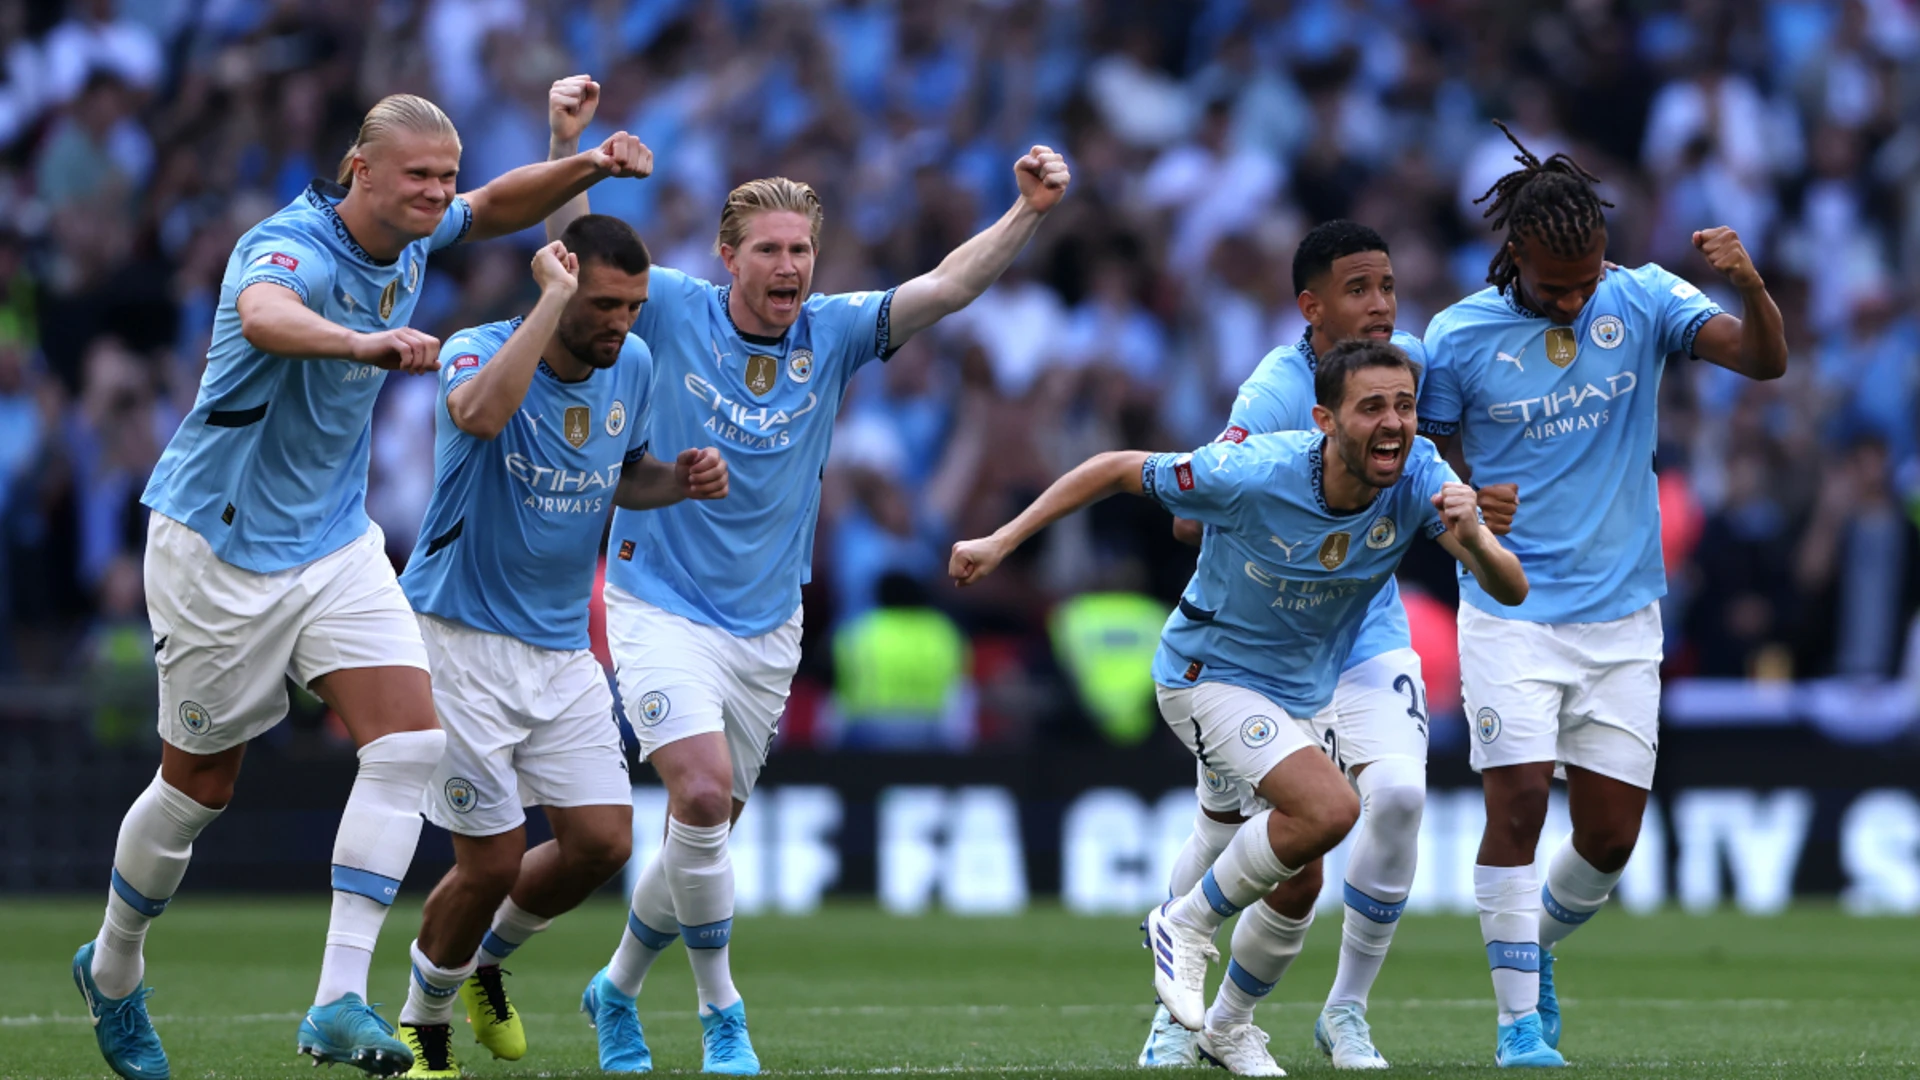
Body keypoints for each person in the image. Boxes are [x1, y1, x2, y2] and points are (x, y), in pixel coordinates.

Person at [71, 92, 649, 1080]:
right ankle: (114, 967)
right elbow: (265, 314)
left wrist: (588, 165)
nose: (435, 192)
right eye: (417, 175)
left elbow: (500, 203)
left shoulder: (420, 232)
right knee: (199, 787)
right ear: (360, 170)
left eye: (442, 173)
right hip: (220, 549)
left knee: (411, 744)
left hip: (337, 545)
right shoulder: (287, 245)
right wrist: (360, 342)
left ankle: (339, 999)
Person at [541, 76, 1070, 1075]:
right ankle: (722, 1017)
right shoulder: (675, 312)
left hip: (765, 626)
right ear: (728, 257)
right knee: (698, 801)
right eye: (770, 251)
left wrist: (1025, 214)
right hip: (654, 600)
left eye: (800, 251)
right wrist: (567, 142)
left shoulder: (832, 332)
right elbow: (587, 263)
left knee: (702, 833)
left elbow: (949, 286)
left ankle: (613, 989)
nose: (788, 268)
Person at [952, 339, 1530, 1077]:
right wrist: (1001, 541)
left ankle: (1225, 1026)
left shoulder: (1419, 473)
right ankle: (1183, 925)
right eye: (1372, 407)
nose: (1393, 423)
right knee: (1328, 811)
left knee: (1297, 874)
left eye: (1405, 406)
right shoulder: (1256, 471)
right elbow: (1117, 468)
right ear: (1324, 419)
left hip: (1300, 693)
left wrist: (1473, 532)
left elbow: (1511, 589)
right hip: (1206, 675)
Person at [1418, 121, 1787, 1069]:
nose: (1577, 298)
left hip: (1625, 615)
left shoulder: (1646, 298)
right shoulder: (1456, 337)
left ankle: (1529, 952)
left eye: (1588, 278)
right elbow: (1416, 461)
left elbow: (1761, 360)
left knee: (1613, 840)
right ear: (1514, 256)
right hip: (1510, 610)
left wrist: (1746, 280)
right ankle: (1514, 1027)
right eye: (1556, 285)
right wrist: (1461, 496)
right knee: (1517, 811)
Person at [1144, 219, 1518, 1071]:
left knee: (1399, 799)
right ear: (1311, 308)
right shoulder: (1274, 392)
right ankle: (1180, 1015)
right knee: (1245, 831)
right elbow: (1182, 513)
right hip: (1264, 638)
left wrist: (1473, 509)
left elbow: (1436, 452)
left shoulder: (1410, 364)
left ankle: (1341, 1011)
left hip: (1366, 625)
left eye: (1387, 286)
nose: (1382, 305)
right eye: (1360, 289)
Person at [389, 217, 729, 1079]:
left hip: (562, 647)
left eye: (635, 307)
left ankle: (484, 962)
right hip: (457, 640)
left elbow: (623, 477)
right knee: (493, 856)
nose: (623, 323)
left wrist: (679, 484)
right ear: (561, 288)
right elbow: (476, 413)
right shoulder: (480, 350)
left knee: (602, 844)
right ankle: (422, 1018)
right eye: (606, 305)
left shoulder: (635, 367)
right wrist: (546, 300)